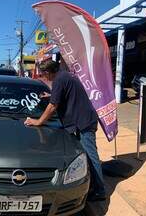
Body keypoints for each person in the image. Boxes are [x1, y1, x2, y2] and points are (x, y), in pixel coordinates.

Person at [24, 57, 106, 201]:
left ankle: (100, 191)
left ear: (49, 72)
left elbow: (52, 106)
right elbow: (63, 94)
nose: (43, 77)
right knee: (87, 155)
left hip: (83, 122)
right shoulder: (64, 76)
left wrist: (38, 122)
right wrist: (50, 95)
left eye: (43, 74)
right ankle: (94, 185)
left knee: (91, 156)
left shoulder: (59, 80)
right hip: (82, 120)